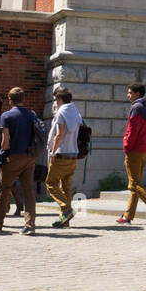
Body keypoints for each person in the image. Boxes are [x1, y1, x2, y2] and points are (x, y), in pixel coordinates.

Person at [0, 87, 40, 235]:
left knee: (4, 189)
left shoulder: (6, 116)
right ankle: (30, 224)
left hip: (13, 157)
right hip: (30, 157)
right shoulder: (32, 115)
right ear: (23, 99)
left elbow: (5, 141)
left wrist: (3, 153)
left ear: (10, 100)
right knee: (28, 191)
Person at [117, 83, 146, 225]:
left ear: (138, 94)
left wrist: (126, 146)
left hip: (134, 150)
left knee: (134, 185)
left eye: (130, 92)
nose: (128, 95)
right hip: (145, 150)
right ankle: (128, 216)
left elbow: (132, 130)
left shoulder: (136, 108)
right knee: (135, 183)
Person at [47, 87, 83, 228]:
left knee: (50, 183)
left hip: (61, 153)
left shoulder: (62, 112)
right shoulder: (75, 111)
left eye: (56, 99)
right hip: (73, 153)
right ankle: (65, 219)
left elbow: (59, 134)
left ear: (60, 99)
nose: (56, 102)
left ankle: (67, 210)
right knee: (66, 187)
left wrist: (52, 153)